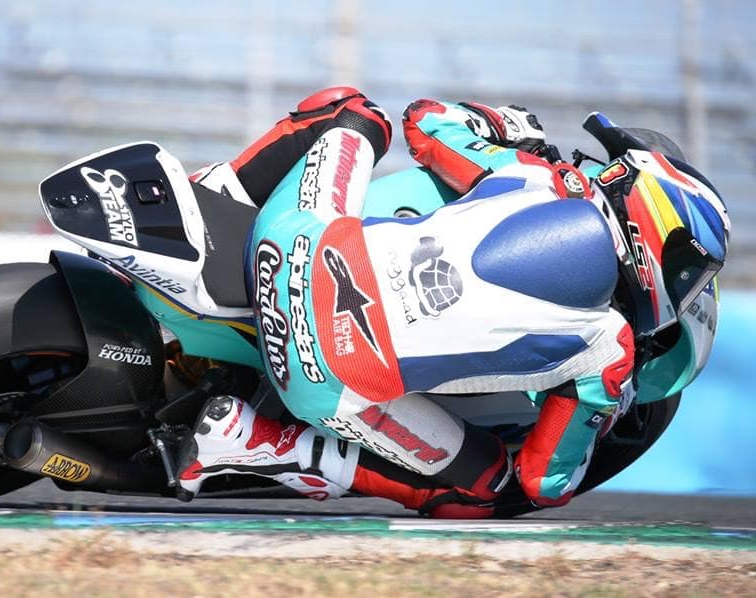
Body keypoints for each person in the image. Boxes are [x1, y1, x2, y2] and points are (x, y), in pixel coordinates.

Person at [177, 87, 731, 517]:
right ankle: (255, 442)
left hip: (287, 244)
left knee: (352, 111)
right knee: (490, 489)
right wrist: (602, 414)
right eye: (689, 277)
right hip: (321, 377)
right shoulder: (609, 352)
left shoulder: (533, 177)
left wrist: (504, 126)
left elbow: (423, 119)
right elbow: (545, 482)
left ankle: (221, 191)